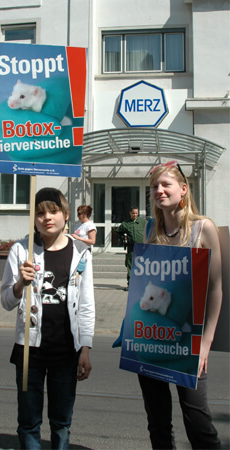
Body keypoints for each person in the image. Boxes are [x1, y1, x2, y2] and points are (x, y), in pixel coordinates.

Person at [1, 187, 95, 449]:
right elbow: (6, 302)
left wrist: (85, 347)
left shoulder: (80, 253)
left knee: (62, 422)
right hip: (29, 350)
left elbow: (87, 304)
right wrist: (21, 283)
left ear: (66, 215)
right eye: (40, 213)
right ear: (33, 218)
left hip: (66, 350)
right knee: (29, 422)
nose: (47, 218)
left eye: (53, 211)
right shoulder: (21, 250)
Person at [138, 160, 222, 449]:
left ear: (183, 189)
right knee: (158, 421)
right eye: (154, 187)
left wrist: (205, 344)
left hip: (189, 341)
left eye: (165, 185)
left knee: (198, 421)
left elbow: (215, 288)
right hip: (151, 342)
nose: (159, 191)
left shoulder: (203, 228)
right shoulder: (150, 228)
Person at [116, 207, 146, 290]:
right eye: (133, 213)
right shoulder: (126, 223)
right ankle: (130, 285)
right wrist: (124, 238)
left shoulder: (143, 222)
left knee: (143, 266)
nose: (135, 215)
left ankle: (142, 285)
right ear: (130, 213)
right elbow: (118, 231)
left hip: (142, 248)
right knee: (131, 266)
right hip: (131, 248)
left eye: (136, 213)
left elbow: (149, 230)